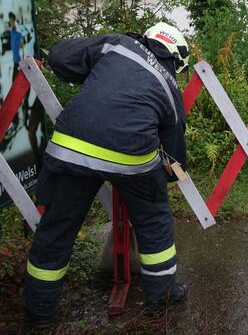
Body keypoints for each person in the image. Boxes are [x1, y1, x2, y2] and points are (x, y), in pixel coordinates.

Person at [24, 22, 190, 327]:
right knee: (154, 222)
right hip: (133, 160)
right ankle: (162, 299)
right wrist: (167, 179)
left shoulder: (116, 45)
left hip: (70, 148)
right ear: (176, 60)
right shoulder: (170, 86)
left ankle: (39, 314)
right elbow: (175, 149)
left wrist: (91, 73)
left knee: (56, 229)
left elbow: (60, 55)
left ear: (149, 37)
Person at [8, 12, 24, 80]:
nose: (10, 22)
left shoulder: (18, 31)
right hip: (15, 60)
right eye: (10, 20)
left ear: (14, 20)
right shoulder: (12, 31)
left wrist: (21, 60)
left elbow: (22, 45)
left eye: (11, 20)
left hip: (19, 60)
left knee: (16, 80)